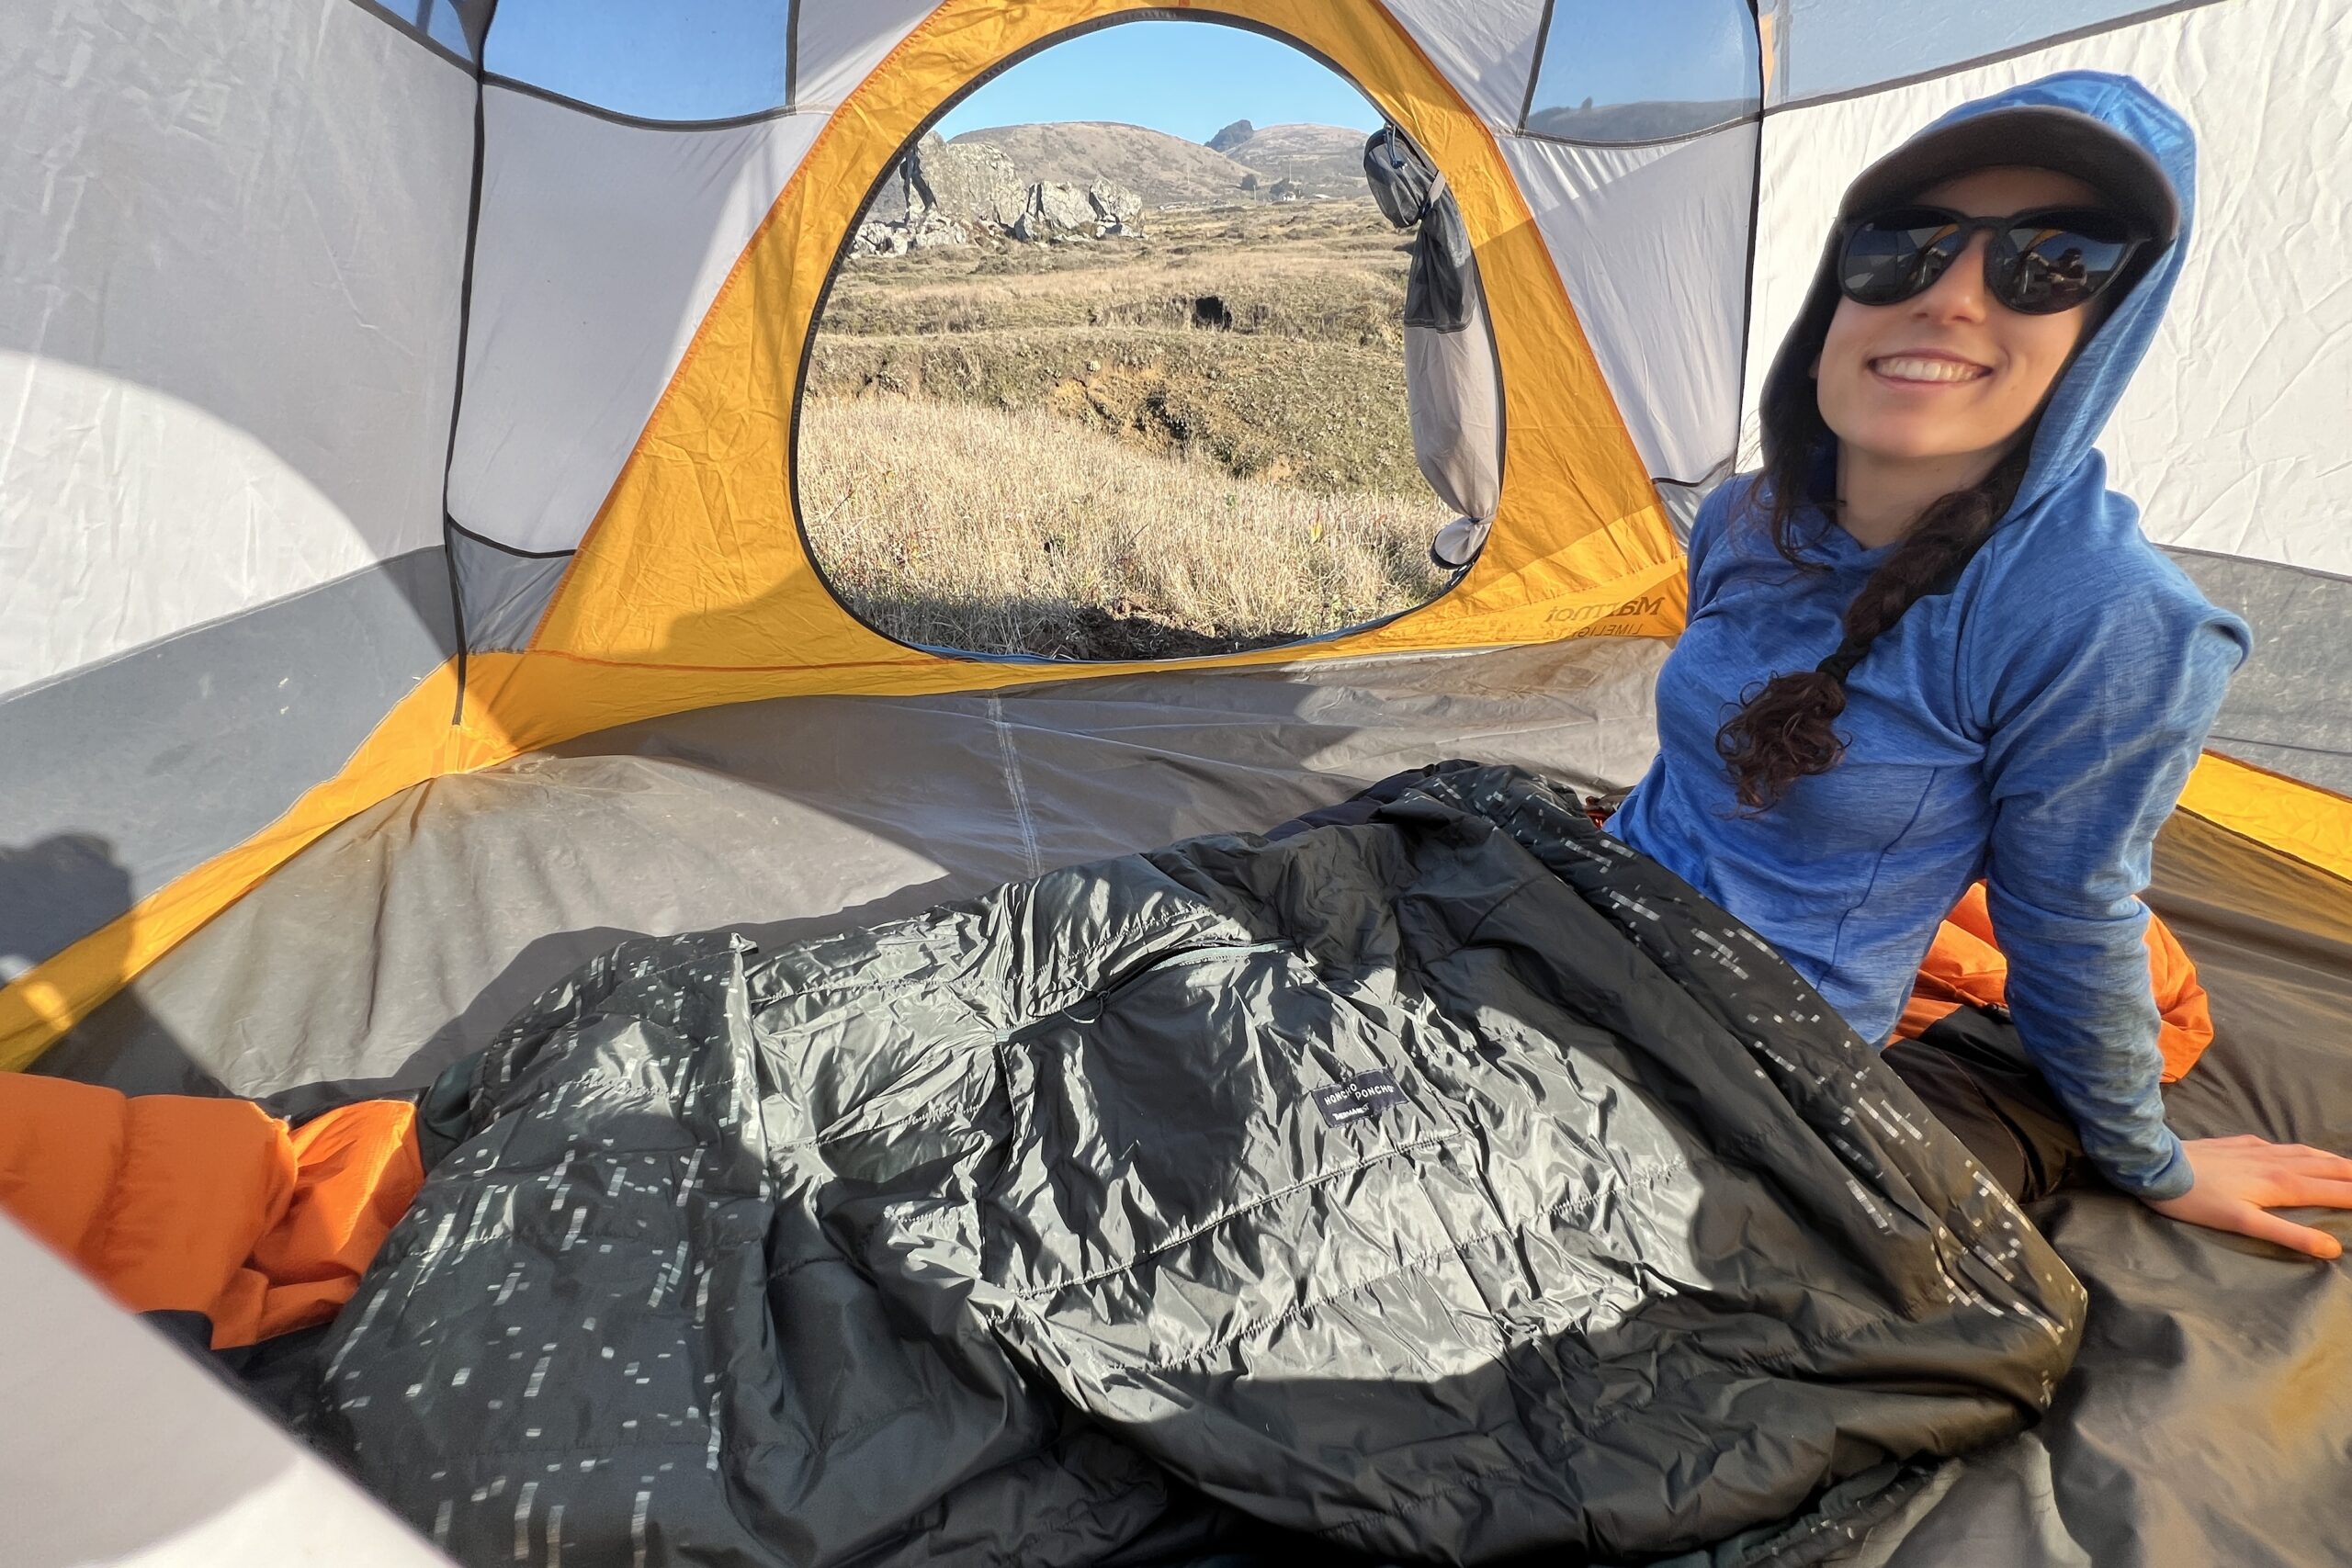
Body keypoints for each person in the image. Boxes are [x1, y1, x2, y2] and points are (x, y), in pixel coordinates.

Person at [1608, 72, 2352, 1258]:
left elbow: (2067, 912)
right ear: (1832, 298)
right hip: (1589, 919)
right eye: (1905, 245)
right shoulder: (1749, 515)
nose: (1951, 299)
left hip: (1743, 1044)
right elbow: (1694, 786)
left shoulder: (2105, 618)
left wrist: (2147, 1161)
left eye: (2053, 262)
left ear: (2105, 334)